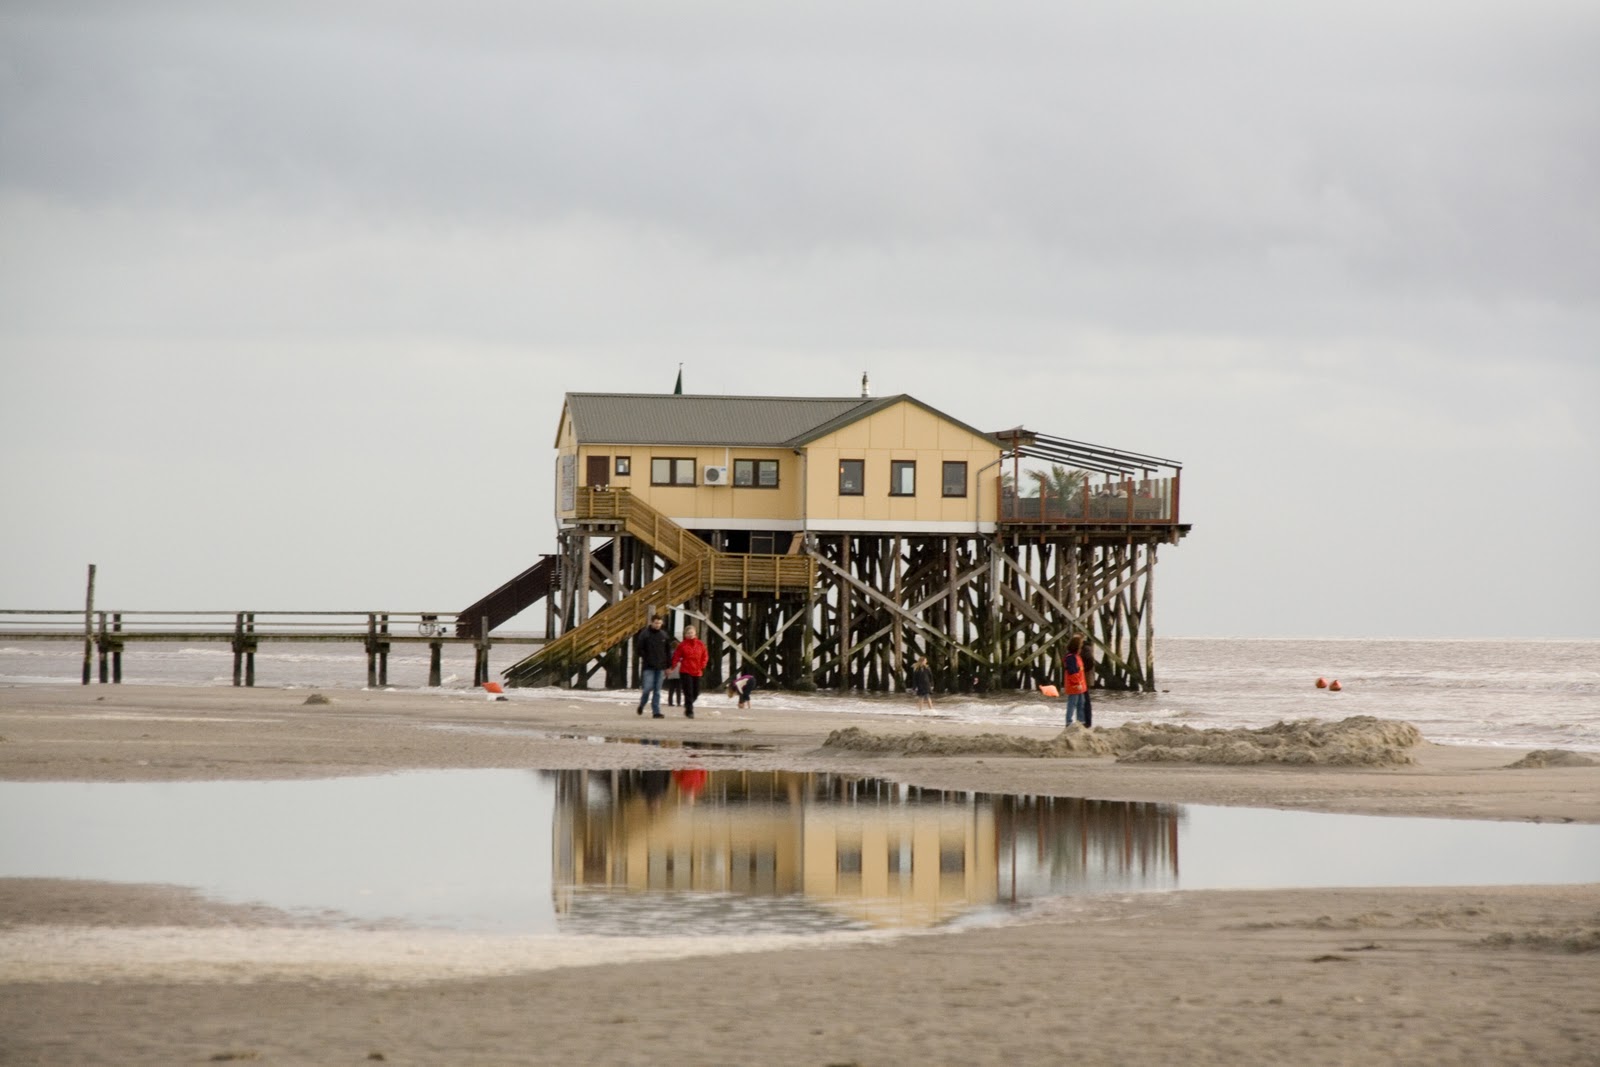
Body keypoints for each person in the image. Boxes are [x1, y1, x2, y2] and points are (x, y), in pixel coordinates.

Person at [633, 615, 675, 719]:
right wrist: (646, 656)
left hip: (660, 667)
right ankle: (642, 705)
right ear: (651, 622)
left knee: (657, 690)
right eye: (656, 623)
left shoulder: (664, 635)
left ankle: (656, 712)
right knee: (647, 688)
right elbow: (638, 649)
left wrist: (669, 666)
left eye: (659, 623)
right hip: (648, 666)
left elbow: (668, 652)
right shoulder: (645, 634)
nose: (657, 625)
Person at [669, 624, 709, 718]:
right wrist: (672, 666)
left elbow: (705, 655)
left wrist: (703, 665)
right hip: (685, 670)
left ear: (695, 633)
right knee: (689, 691)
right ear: (685, 634)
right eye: (688, 633)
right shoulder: (682, 645)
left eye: (691, 632)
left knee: (696, 692)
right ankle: (689, 711)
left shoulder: (700, 644)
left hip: (697, 670)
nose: (690, 634)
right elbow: (676, 656)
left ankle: (688, 704)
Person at [1063, 633, 1091, 727]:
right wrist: (1077, 683)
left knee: (1081, 703)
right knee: (1072, 703)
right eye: (1080, 646)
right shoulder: (1070, 657)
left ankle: (1081, 720)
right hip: (1074, 685)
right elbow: (1072, 672)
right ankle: (1069, 721)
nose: (1081, 647)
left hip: (1080, 685)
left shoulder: (1077, 656)